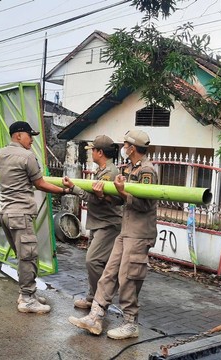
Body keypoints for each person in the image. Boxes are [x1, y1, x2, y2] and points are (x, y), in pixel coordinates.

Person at [68, 129, 158, 340]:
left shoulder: (147, 171)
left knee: (128, 278)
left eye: (126, 145)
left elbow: (145, 205)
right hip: (125, 230)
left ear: (132, 148)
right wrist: (106, 194)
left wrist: (123, 192)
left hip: (139, 232)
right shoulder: (127, 169)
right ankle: (96, 316)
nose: (123, 148)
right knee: (109, 273)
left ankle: (130, 323)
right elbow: (118, 201)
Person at [0, 121, 73, 314]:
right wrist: (64, 191)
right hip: (20, 214)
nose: (31, 140)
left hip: (5, 212)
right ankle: (28, 299)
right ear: (18, 135)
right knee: (28, 257)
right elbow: (40, 184)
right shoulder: (27, 156)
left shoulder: (1, 153)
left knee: (23, 256)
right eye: (30, 136)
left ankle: (26, 293)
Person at [64, 135, 122, 309]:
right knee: (96, 262)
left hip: (108, 224)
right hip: (97, 222)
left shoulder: (110, 173)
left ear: (100, 152)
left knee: (93, 261)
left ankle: (100, 299)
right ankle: (93, 297)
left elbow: (95, 199)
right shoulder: (102, 170)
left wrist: (74, 189)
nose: (91, 154)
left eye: (93, 151)